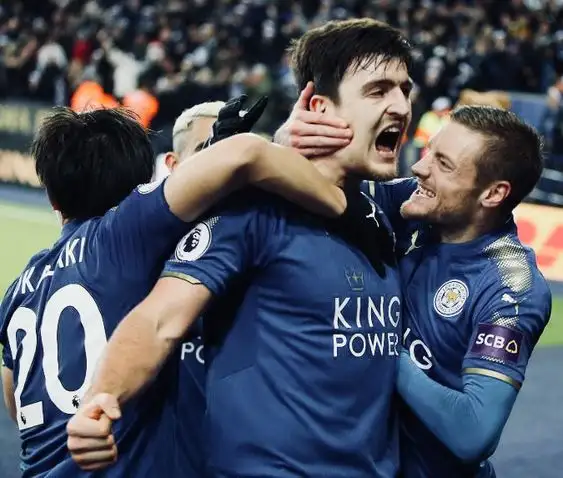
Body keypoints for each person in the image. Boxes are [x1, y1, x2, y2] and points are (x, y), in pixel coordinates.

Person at [67, 18, 413, 477]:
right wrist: (101, 398)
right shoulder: (252, 210)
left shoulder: (385, 213)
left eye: (405, 90)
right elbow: (159, 318)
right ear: (317, 106)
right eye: (378, 91)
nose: (401, 106)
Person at [0, 107, 346, 477]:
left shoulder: (20, 286)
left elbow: (15, 404)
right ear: (139, 181)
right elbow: (245, 155)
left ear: (53, 197)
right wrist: (345, 206)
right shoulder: (124, 232)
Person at [277, 95, 552, 477]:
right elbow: (316, 181)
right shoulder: (415, 203)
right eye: (429, 151)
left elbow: (473, 433)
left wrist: (377, 341)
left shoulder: (510, 287)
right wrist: (286, 141)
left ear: (492, 194)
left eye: (443, 164)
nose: (420, 168)